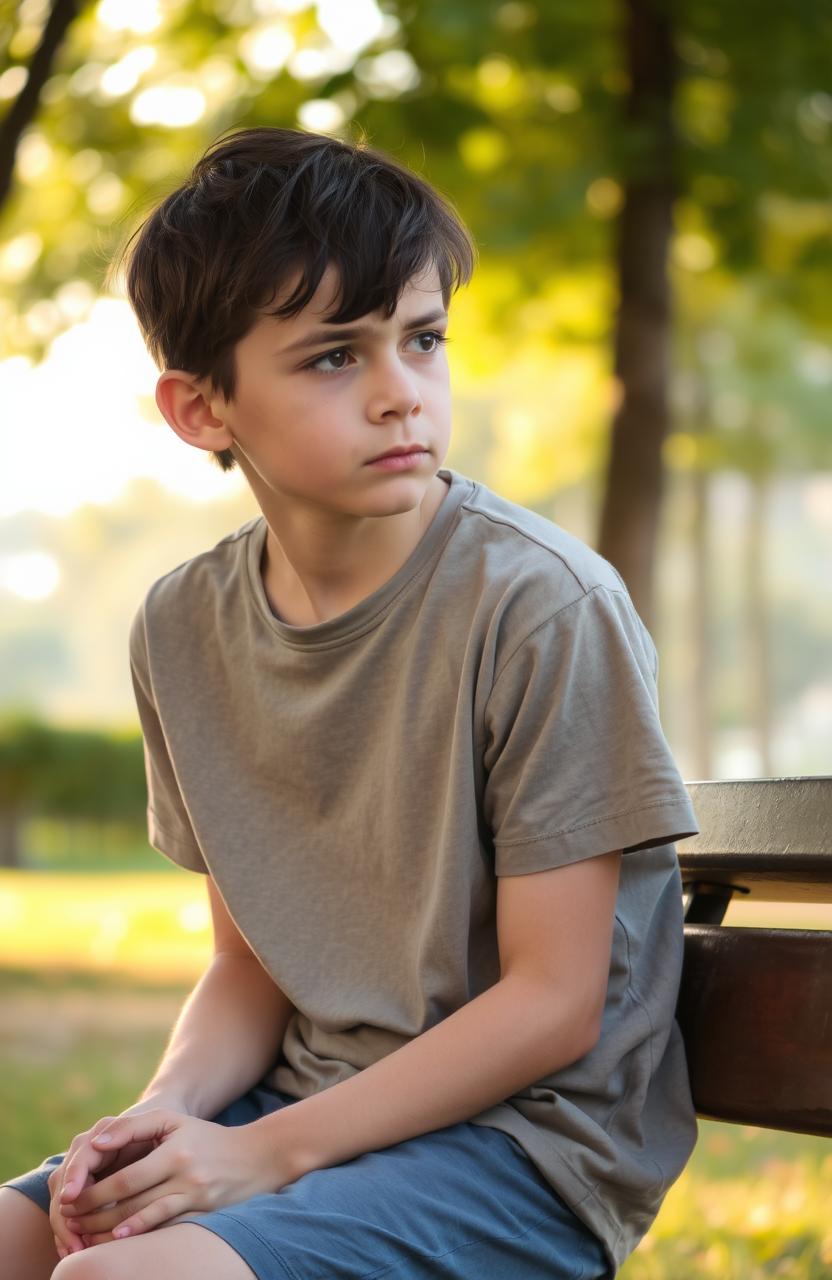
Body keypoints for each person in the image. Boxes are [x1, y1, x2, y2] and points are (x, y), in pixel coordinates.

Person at [1, 126, 700, 1280]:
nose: (399, 395)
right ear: (201, 409)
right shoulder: (182, 628)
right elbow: (249, 965)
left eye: (421, 340)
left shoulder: (540, 606)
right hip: (305, 1105)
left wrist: (260, 1156)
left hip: (524, 1147)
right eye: (334, 356)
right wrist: (161, 1114)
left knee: (117, 1279)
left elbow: (553, 1002)